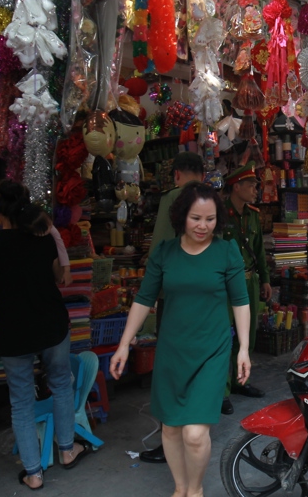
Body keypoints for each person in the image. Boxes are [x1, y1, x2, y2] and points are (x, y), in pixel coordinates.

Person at [109, 182, 250, 497]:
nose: (203, 226)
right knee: (171, 428)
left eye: (210, 219)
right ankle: (180, 488)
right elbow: (144, 299)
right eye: (195, 218)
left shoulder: (226, 252)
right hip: (172, 351)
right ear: (181, 217)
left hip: (211, 352)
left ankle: (196, 490)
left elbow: (241, 302)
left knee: (196, 434)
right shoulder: (165, 252)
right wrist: (123, 344)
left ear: (219, 220)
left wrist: (243, 349)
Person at [0, 180, 90, 490]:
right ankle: (67, 451)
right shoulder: (44, 241)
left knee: (22, 401)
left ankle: (34, 473)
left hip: (14, 331)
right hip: (51, 324)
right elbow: (57, 276)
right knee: (61, 386)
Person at [140, 151, 205, 465]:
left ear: (177, 174)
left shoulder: (173, 199)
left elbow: (160, 251)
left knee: (171, 372)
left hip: (175, 298)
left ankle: (172, 443)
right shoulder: (210, 201)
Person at [221, 162, 271, 414]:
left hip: (249, 281)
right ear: (236, 186)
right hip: (226, 284)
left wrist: (265, 279)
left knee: (247, 335)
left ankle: (243, 380)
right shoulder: (219, 214)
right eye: (250, 185)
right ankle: (222, 390)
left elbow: (259, 250)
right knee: (223, 336)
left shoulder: (252, 215)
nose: (255, 190)